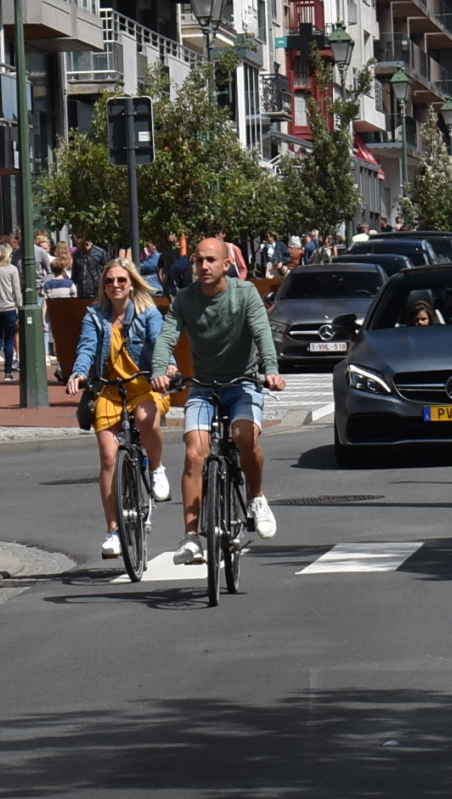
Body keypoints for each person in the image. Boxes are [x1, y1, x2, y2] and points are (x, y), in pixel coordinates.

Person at [151, 234, 287, 564]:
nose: (203, 266)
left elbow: (261, 332)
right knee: (195, 453)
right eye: (198, 260)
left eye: (211, 260)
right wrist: (158, 368)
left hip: (243, 382)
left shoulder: (245, 293)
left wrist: (270, 369)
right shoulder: (185, 299)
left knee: (243, 436)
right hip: (203, 385)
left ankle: (256, 498)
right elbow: (168, 334)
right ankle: (192, 537)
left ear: (227, 264)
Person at [66, 257, 172, 558]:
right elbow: (86, 348)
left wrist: (167, 368)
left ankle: (156, 468)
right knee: (108, 457)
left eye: (121, 281)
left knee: (144, 416)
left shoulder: (148, 313)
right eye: (109, 281)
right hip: (110, 390)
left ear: (131, 284)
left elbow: (159, 343)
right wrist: (79, 373)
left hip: (144, 386)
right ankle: (113, 530)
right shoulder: (94, 316)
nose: (115, 286)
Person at [0, 240, 24, 381]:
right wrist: (20, 308)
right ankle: (8, 372)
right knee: (9, 340)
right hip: (8, 308)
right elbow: (16, 291)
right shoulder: (12, 269)